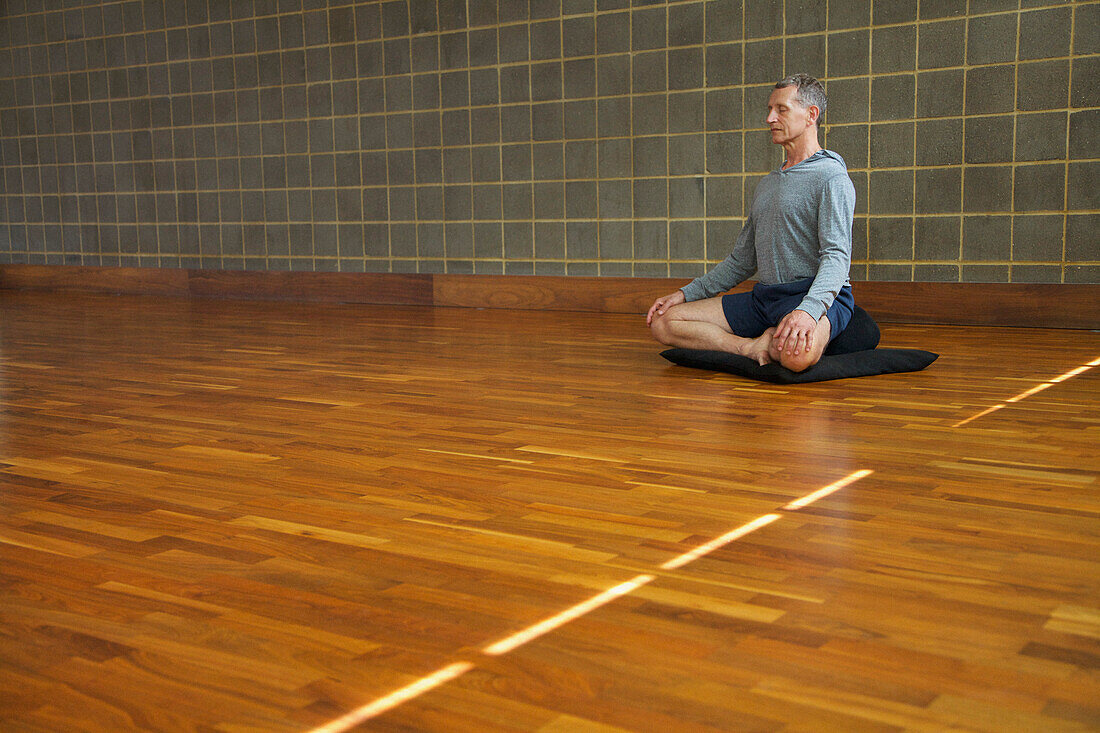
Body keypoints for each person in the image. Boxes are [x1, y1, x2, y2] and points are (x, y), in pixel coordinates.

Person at [647, 73, 856, 373]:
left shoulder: (832, 178)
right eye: (770, 109)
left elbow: (837, 257)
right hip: (766, 298)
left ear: (811, 115)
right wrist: (685, 294)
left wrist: (808, 312)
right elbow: (742, 260)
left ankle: (794, 334)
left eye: (781, 109)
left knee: (796, 359)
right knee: (664, 323)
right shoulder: (768, 184)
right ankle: (750, 346)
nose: (770, 117)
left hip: (812, 294)